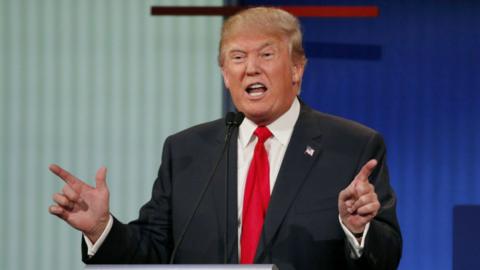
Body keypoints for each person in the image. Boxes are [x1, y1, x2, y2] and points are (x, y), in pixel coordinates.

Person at [49, 7, 402, 270]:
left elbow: (385, 258)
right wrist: (101, 229)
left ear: (296, 69)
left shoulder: (352, 147)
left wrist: (358, 230)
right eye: (237, 57)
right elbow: (155, 250)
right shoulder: (186, 150)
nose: (251, 68)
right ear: (225, 74)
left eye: (266, 54)